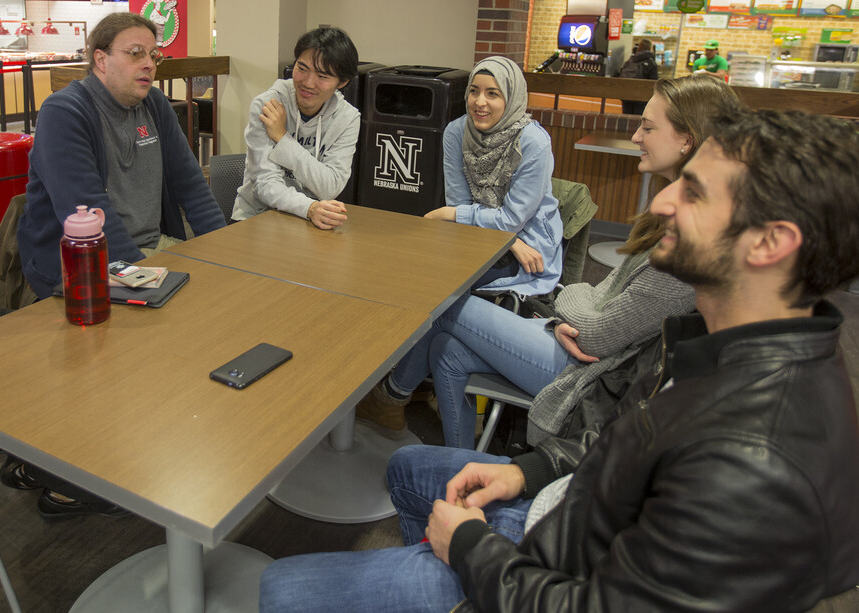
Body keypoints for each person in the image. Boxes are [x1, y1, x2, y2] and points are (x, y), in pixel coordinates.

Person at [259, 107, 859, 613]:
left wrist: (470, 550)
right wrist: (531, 469)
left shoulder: (756, 465)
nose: (666, 200)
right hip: (572, 506)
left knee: (278, 589)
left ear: (771, 243)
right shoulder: (725, 342)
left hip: (557, 567)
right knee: (406, 468)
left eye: (695, 190)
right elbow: (628, 441)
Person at [356, 76, 738, 449]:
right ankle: (458, 463)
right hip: (579, 340)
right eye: (475, 91)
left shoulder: (690, 241)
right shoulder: (670, 215)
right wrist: (569, 311)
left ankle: (388, 396)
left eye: (648, 128)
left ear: (686, 140)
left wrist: (564, 314)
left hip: (594, 373)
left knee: (442, 301)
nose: (637, 137)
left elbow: (598, 336)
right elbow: (597, 292)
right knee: (445, 349)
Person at [17, 12, 226, 300]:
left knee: (229, 295)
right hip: (83, 266)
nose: (149, 64)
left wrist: (225, 251)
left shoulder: (155, 104)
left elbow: (192, 187)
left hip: (152, 248)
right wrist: (145, 282)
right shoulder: (64, 113)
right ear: (101, 60)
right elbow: (90, 212)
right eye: (135, 53)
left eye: (154, 55)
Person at [424, 56, 563, 297]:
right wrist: (510, 242)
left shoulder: (533, 142)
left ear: (511, 98)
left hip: (528, 241)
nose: (479, 102)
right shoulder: (457, 132)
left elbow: (511, 221)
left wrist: (453, 214)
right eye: (474, 91)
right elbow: (460, 201)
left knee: (447, 283)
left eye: (492, 94)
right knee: (419, 263)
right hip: (480, 235)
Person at [231, 26, 359, 229]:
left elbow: (330, 187)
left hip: (307, 223)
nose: (308, 82)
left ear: (342, 82)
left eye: (323, 76)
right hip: (254, 219)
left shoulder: (347, 118)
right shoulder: (268, 105)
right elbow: (265, 184)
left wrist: (282, 138)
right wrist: (309, 208)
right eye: (302, 68)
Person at [619, 39, 658, 115]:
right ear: (650, 48)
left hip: (626, 95)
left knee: (626, 117)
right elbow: (654, 82)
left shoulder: (631, 60)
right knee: (638, 119)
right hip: (641, 97)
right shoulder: (651, 63)